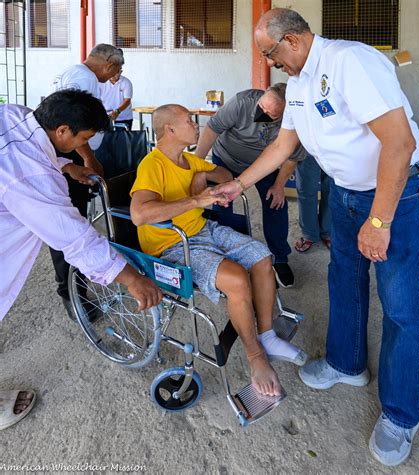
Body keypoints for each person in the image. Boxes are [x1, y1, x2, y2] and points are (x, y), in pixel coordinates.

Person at [212, 8, 419, 467]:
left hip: (397, 193)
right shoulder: (299, 83)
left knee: (402, 305)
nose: (269, 63)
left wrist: (379, 221)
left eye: (270, 52)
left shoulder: (351, 62)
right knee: (344, 280)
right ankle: (347, 364)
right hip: (349, 193)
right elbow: (281, 146)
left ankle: (400, 415)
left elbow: (400, 143)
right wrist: (239, 184)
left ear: (292, 40)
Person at [0, 90, 162, 431]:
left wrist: (67, 165)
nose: (83, 145)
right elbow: (74, 238)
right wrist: (131, 277)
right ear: (62, 131)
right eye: (83, 139)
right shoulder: (34, 180)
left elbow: (25, 150)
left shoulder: (15, 115)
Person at [130, 104, 307, 397]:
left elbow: (225, 174)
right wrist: (194, 201)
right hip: (172, 244)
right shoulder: (153, 164)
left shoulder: (189, 160)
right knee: (237, 278)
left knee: (262, 256)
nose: (196, 125)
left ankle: (267, 336)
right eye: (189, 122)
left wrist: (204, 179)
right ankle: (256, 358)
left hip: (202, 230)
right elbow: (139, 214)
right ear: (170, 130)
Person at [194, 83, 307, 288]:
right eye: (262, 107)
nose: (261, 114)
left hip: (262, 165)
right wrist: (197, 166)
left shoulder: (294, 121)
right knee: (223, 202)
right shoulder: (241, 102)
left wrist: (279, 185)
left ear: (284, 113)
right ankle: (228, 256)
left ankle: (280, 257)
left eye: (270, 114)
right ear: (262, 96)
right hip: (227, 158)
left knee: (276, 203)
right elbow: (213, 128)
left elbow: (291, 157)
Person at [51, 43, 124, 319]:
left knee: (74, 221)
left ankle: (78, 283)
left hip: (68, 155)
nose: (117, 74)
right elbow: (71, 124)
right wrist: (88, 158)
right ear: (109, 65)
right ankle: (72, 294)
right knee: (69, 224)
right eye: (118, 68)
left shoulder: (77, 73)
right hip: (70, 156)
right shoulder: (84, 79)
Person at [294, 154, 332, 253]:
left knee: (332, 189)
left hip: (335, 143)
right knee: (306, 189)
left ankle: (328, 230)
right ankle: (309, 233)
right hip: (307, 144)